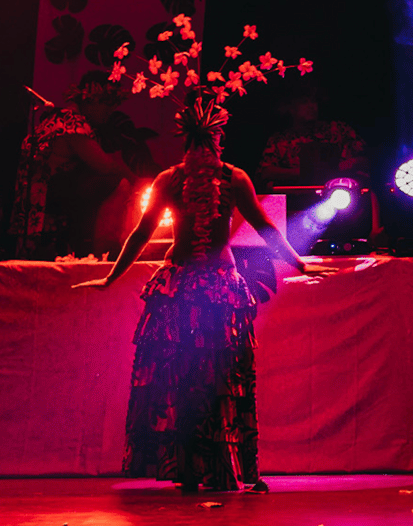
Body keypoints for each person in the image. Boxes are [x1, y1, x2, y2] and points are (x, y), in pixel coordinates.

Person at [76, 88, 331, 493]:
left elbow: (144, 233)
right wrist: (110, 276)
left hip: (196, 289)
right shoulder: (215, 177)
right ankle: (209, 469)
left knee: (192, 378)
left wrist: (300, 264)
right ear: (217, 141)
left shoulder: (197, 179)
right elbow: (260, 228)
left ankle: (199, 470)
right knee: (213, 378)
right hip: (198, 289)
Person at [9, 71, 140, 259]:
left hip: (37, 201)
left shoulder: (53, 120)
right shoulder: (72, 122)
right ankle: (105, 250)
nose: (111, 112)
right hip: (50, 197)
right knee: (119, 182)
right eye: (107, 104)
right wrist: (136, 180)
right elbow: (106, 166)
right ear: (91, 100)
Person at [256, 85, 365, 187]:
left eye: (313, 101)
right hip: (294, 198)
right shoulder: (280, 140)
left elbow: (367, 158)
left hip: (341, 196)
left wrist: (352, 163)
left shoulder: (337, 130)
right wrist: (304, 172)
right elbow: (266, 172)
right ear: (291, 108)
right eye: (304, 102)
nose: (311, 106)